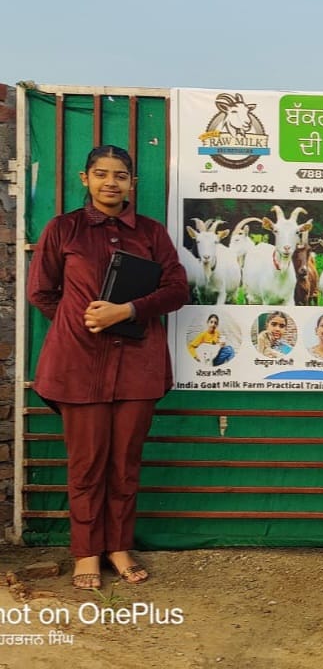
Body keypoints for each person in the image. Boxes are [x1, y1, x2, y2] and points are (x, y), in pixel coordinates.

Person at [27, 145, 190, 590]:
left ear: (132, 183)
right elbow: (41, 292)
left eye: (121, 175)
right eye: (101, 174)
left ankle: (118, 547)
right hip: (78, 366)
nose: (111, 182)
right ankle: (86, 552)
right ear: (85, 179)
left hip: (138, 366)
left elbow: (177, 289)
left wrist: (126, 311)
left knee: (125, 464)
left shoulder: (151, 233)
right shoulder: (64, 229)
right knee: (86, 464)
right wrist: (81, 320)